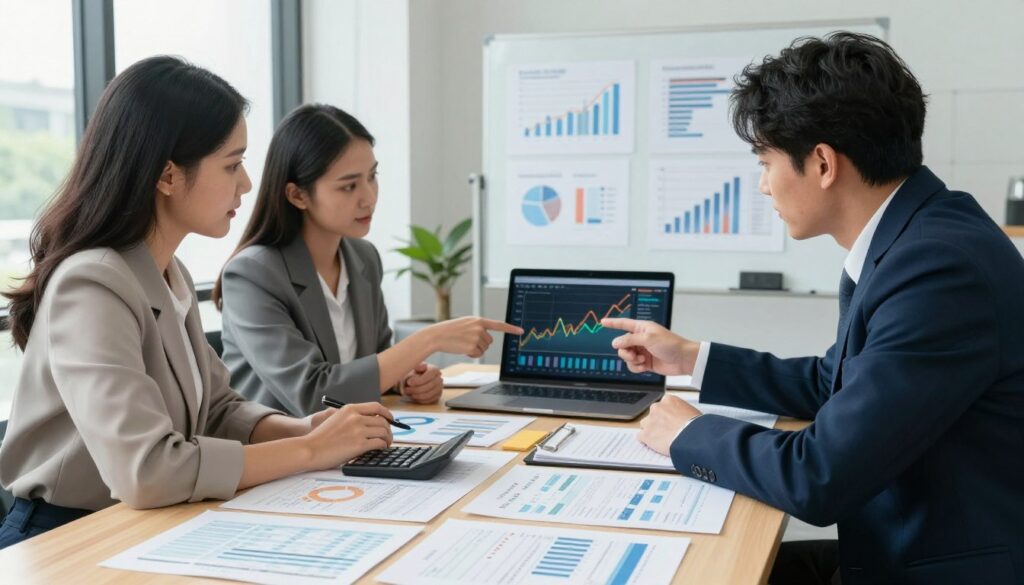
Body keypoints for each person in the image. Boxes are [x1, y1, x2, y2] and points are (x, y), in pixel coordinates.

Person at [603, 33, 1024, 584]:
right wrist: (692, 358)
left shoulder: (939, 271)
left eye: (766, 162)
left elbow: (819, 478)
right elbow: (837, 383)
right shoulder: (919, 235)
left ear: (823, 163)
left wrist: (689, 435)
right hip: (902, 547)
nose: (763, 186)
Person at [0, 57, 396, 549]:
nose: (246, 183)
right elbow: (147, 470)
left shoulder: (168, 271)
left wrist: (303, 428)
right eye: (232, 164)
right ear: (168, 175)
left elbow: (217, 410)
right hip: (62, 538)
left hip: (141, 524)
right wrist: (312, 450)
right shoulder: (92, 283)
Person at [212, 104, 522, 417]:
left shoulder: (363, 258)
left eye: (372, 177)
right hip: (283, 444)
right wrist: (430, 338)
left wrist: (406, 379)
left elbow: (377, 357)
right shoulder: (252, 274)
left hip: (353, 438)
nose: (369, 197)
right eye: (349, 186)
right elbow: (314, 395)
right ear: (298, 195)